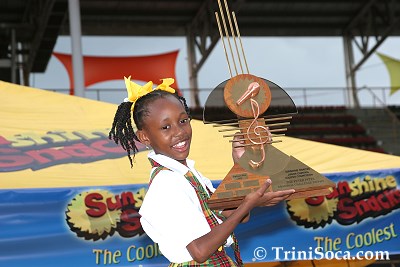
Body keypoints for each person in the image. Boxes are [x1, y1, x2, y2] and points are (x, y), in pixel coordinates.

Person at [109, 76, 295, 266]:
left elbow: (233, 214)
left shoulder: (188, 175)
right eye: (166, 127)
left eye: (183, 121)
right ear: (144, 137)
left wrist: (241, 163)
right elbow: (200, 251)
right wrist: (248, 204)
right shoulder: (167, 183)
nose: (179, 132)